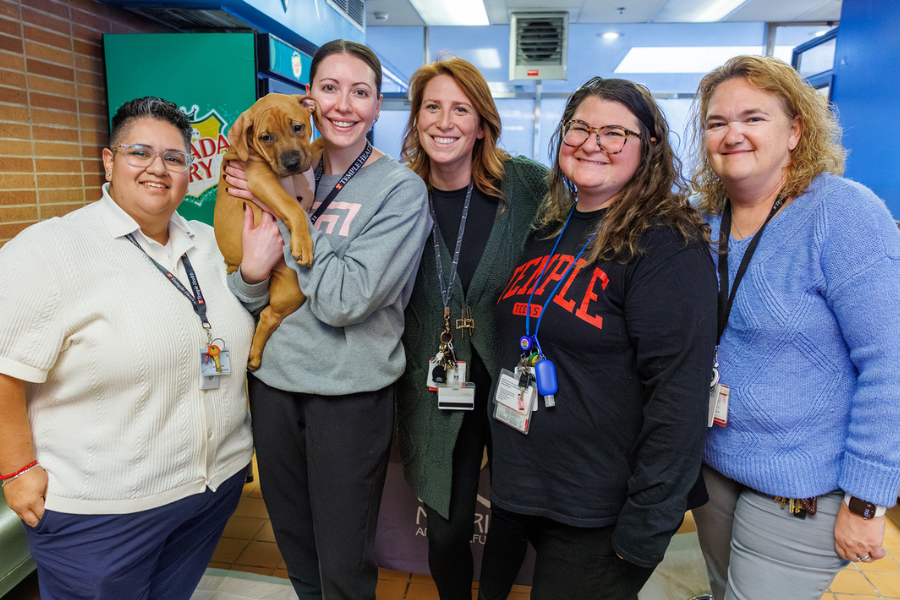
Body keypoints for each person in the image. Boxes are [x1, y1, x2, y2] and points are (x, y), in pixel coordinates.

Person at [0, 97, 255, 599]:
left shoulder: (208, 243)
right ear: (108, 160)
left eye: (175, 158)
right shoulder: (48, 250)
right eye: (140, 151)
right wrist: (18, 470)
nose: (158, 168)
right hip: (101, 514)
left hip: (208, 495)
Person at [477, 77, 717, 600]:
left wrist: (648, 524)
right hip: (524, 489)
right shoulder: (550, 228)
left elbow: (678, 396)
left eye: (614, 132)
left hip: (599, 509)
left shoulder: (666, 243)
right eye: (579, 127)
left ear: (650, 146)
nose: (592, 142)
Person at [687, 55, 900, 600]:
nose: (733, 133)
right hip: (716, 465)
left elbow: (890, 362)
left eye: (754, 118)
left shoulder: (843, 214)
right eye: (717, 122)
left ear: (796, 130)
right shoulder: (702, 217)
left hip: (804, 481)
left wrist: (867, 500)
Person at [225, 39, 431, 600]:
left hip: (348, 393)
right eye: (330, 88)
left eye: (360, 92)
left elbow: (345, 301)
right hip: (274, 384)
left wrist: (298, 215)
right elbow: (247, 292)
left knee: (342, 561)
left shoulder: (399, 191)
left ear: (377, 106)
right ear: (309, 99)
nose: (344, 104)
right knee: (294, 545)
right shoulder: (271, 165)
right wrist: (248, 273)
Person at [394, 56, 549, 600]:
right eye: (431, 107)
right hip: (436, 386)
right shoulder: (397, 194)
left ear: (482, 122)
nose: (444, 120)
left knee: (513, 509)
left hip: (512, 376)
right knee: (447, 526)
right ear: (415, 119)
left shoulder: (526, 185)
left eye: (461, 108)